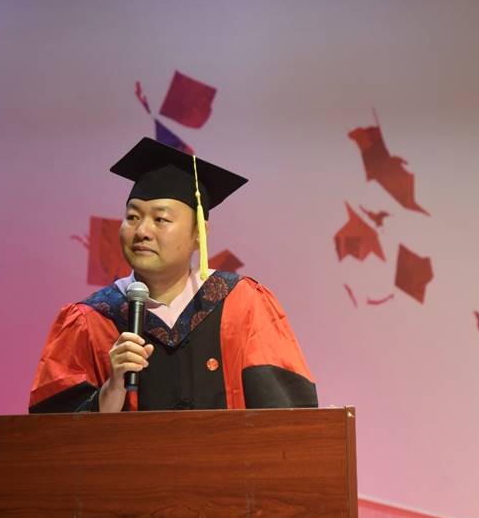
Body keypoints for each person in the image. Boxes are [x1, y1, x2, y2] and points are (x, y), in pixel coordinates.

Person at [29, 137, 317, 413]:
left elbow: (287, 418)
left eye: (161, 219)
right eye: (132, 217)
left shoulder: (244, 305)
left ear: (199, 233)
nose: (142, 231)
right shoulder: (90, 320)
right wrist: (111, 390)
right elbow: (53, 435)